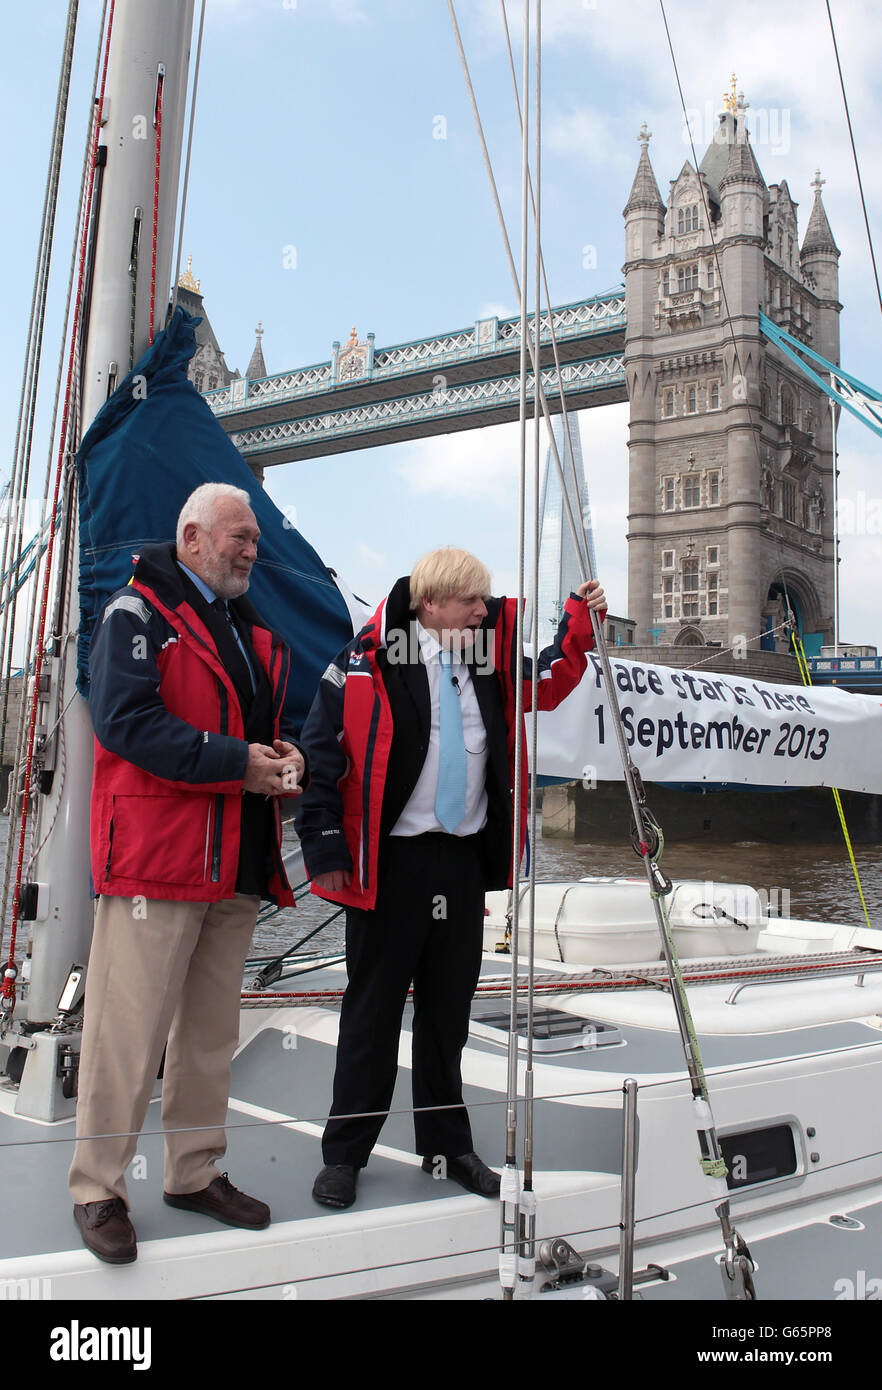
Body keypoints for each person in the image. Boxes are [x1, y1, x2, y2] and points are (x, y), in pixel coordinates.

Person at [294, 547, 606, 1209]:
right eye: (471, 602)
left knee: (447, 1014)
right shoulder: (364, 663)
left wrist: (580, 624)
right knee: (372, 1014)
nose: (483, 611)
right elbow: (321, 753)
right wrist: (324, 848)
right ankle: (346, 1154)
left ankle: (447, 1147)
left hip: (459, 865)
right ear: (432, 606)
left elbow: (550, 681)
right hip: (391, 866)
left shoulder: (486, 663)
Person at [69, 482, 306, 1263]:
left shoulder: (246, 629)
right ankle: (98, 1187)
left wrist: (284, 753)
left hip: (234, 863)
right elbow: (128, 724)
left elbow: (257, 726)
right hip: (158, 864)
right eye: (239, 537)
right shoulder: (135, 617)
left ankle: (193, 1171)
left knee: (209, 1036)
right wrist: (240, 764)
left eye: (254, 540)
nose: (251, 549)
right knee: (124, 1035)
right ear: (194, 536)